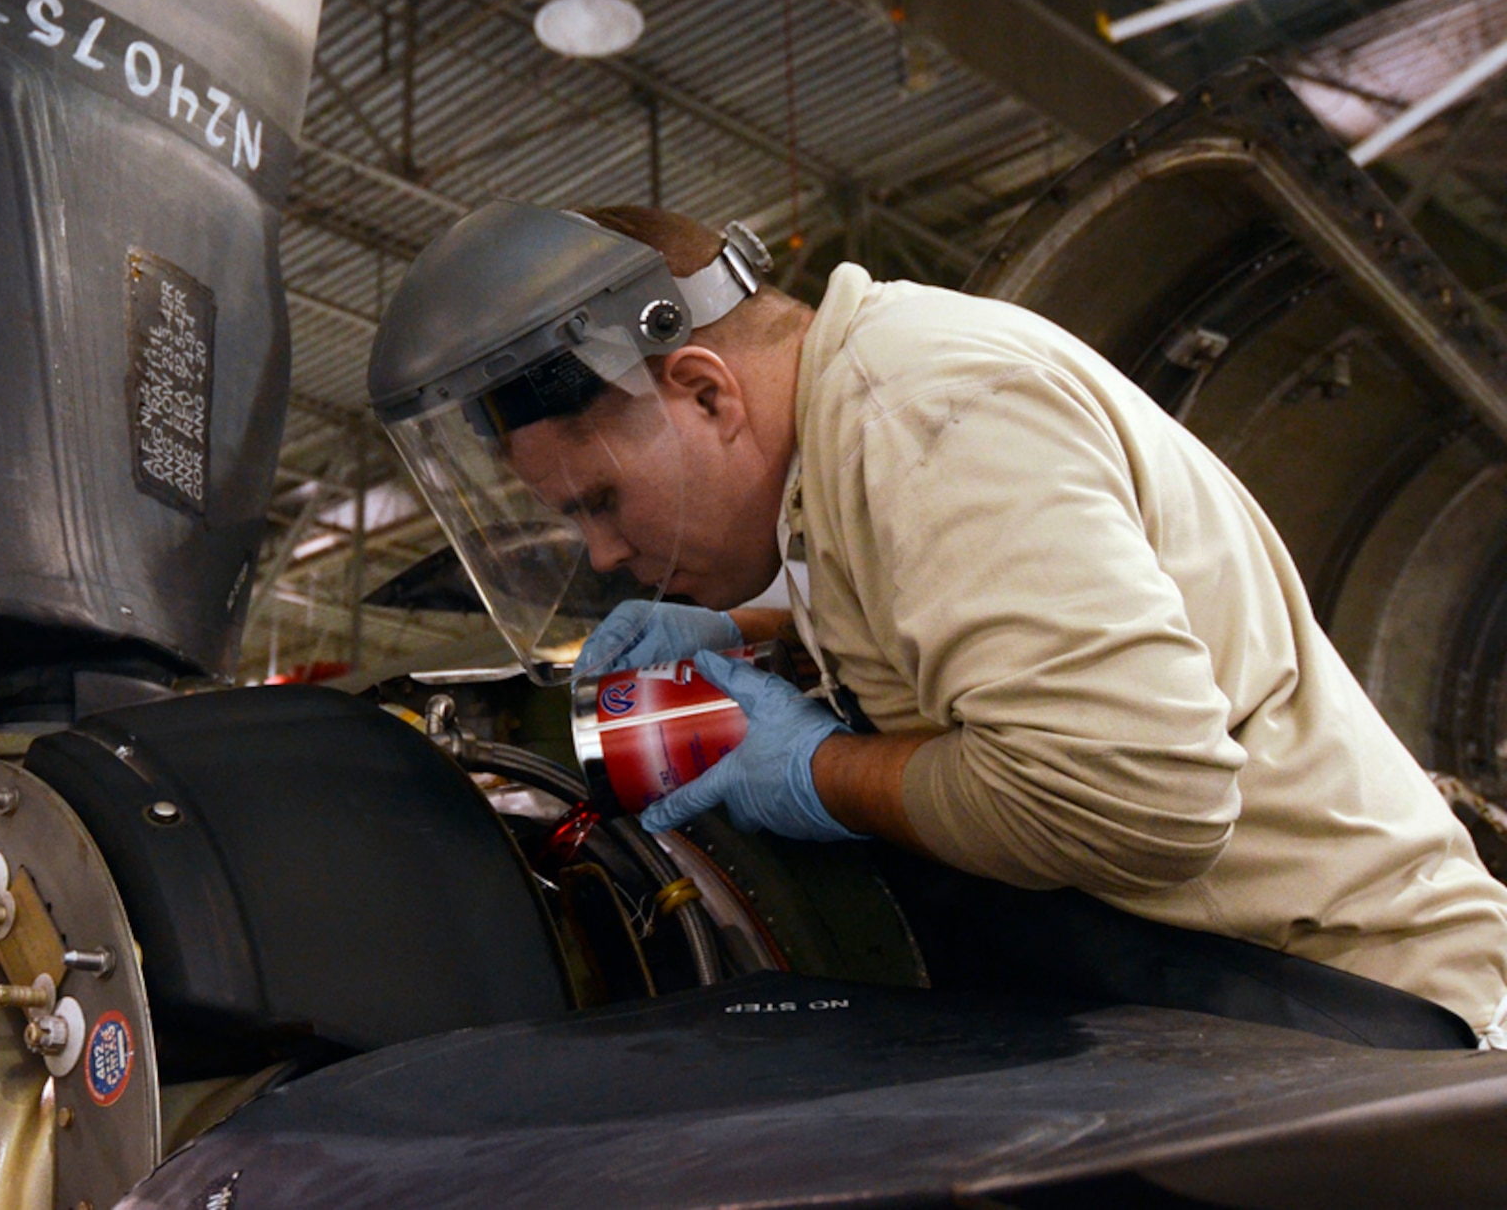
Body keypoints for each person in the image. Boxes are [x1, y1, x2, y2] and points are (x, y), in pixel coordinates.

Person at [366, 199, 1507, 1046]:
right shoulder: (853, 435)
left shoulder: (915, 411)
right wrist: (764, 638)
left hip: (1370, 1022)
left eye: (600, 500)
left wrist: (816, 769)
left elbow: (1134, 799)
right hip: (1232, 995)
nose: (606, 556)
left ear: (705, 391)